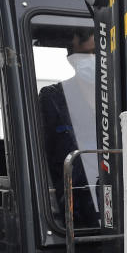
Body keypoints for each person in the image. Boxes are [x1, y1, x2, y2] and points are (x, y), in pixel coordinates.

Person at [38, 28, 100, 228]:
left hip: (119, 203)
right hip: (74, 215)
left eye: (96, 53)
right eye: (85, 54)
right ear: (71, 58)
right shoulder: (53, 99)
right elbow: (42, 160)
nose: (92, 59)